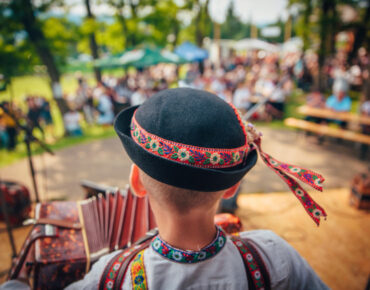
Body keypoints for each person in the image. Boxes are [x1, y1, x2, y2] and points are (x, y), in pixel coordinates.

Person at [1, 88, 328, 290]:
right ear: (232, 187)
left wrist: (15, 282)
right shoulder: (273, 258)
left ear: (136, 182)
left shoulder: (112, 277)